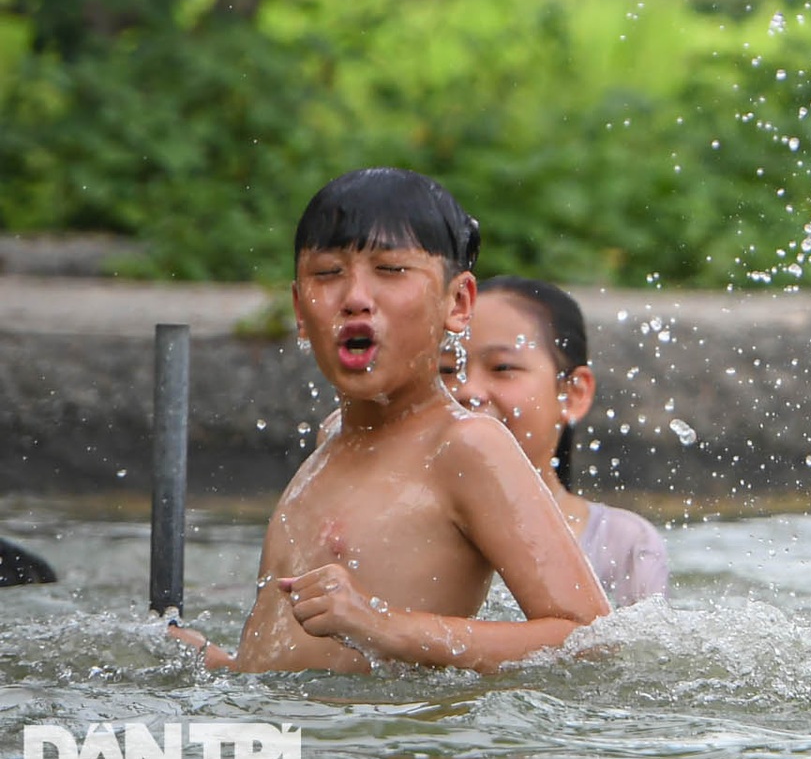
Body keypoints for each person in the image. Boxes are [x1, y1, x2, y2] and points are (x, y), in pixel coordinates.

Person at [172, 168, 610, 672]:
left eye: (391, 270)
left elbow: (590, 640)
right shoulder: (332, 437)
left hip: (395, 750)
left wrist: (383, 626)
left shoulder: (465, 445)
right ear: (298, 306)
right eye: (327, 273)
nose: (355, 297)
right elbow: (309, 665)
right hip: (302, 745)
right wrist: (224, 668)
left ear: (459, 302)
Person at [451, 277, 669, 606]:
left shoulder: (623, 545)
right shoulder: (407, 529)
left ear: (572, 394)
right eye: (447, 369)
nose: (467, 391)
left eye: (502, 367)